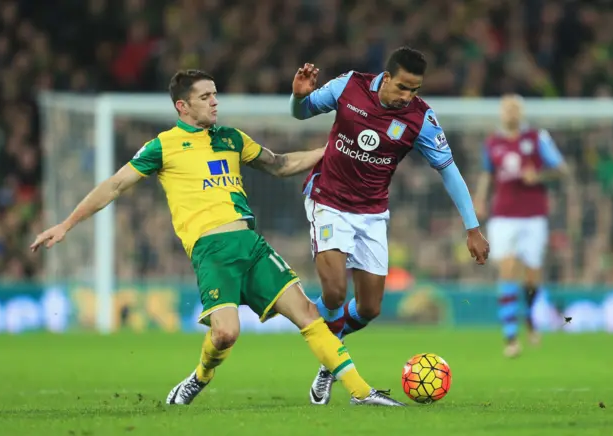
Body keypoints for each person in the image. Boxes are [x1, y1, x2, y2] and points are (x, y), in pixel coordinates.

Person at [31, 69, 405, 407]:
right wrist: (66, 224)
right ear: (183, 106)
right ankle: (199, 377)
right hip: (211, 250)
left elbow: (279, 165)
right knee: (225, 334)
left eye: (215, 94)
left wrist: (333, 152)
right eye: (205, 97)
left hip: (251, 245)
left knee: (309, 314)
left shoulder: (230, 137)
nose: (215, 101)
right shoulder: (163, 145)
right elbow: (114, 185)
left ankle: (361, 393)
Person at [289, 46, 490, 405]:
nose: (407, 96)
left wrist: (472, 227)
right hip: (329, 200)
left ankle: (328, 363)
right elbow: (301, 112)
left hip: (372, 213)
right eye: (402, 87)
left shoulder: (420, 119)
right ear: (386, 76)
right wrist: (297, 97)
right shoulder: (348, 86)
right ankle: (338, 368)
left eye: (414, 89)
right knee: (334, 293)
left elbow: (449, 171)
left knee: (369, 309)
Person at [473, 94, 568, 358]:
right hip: (503, 215)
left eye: (515, 108)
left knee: (532, 275)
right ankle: (511, 337)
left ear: (522, 112)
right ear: (501, 113)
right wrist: (480, 198)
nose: (511, 113)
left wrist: (538, 175)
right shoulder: (492, 142)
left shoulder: (537, 139)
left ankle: (531, 320)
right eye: (507, 108)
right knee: (507, 268)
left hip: (533, 215)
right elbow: (487, 173)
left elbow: (562, 169)